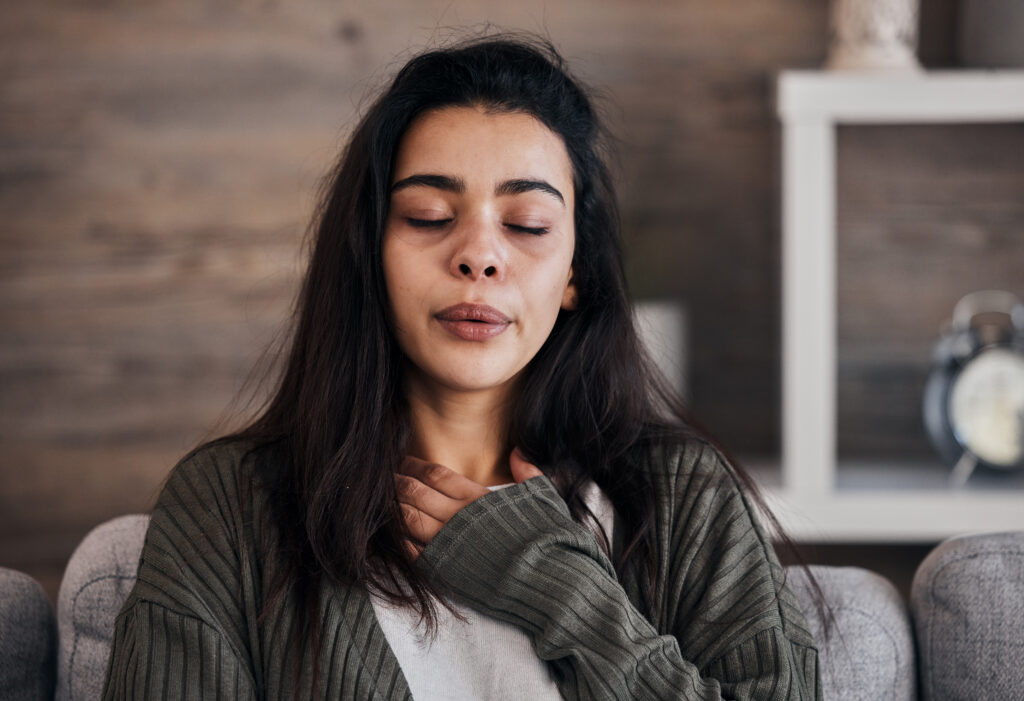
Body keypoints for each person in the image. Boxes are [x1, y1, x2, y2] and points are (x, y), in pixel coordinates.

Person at [102, 33, 822, 700]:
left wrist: (563, 592)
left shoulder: (682, 498)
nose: (478, 255)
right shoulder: (226, 509)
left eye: (527, 225)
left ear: (575, 270)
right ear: (370, 252)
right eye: (427, 215)